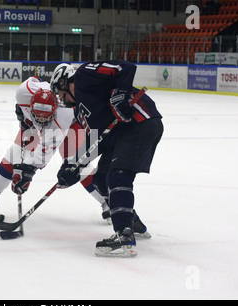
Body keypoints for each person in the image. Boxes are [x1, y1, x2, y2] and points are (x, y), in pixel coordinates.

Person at [50, 61, 163, 258]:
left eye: (60, 92)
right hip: (120, 133)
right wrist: (72, 165)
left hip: (140, 122)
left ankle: (123, 236)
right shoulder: (81, 111)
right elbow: (96, 140)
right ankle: (130, 219)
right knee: (100, 180)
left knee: (118, 175)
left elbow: (125, 67)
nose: (61, 98)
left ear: (67, 83)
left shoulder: (86, 75)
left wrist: (119, 94)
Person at [0, 77, 110, 222]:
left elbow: (41, 157)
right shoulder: (24, 92)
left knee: (76, 164)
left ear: (54, 110)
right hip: (37, 123)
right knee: (14, 153)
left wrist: (26, 173)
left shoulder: (59, 120)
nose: (41, 120)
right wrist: (24, 116)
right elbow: (34, 79)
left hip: (73, 124)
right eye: (38, 116)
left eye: (45, 117)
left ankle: (106, 201)